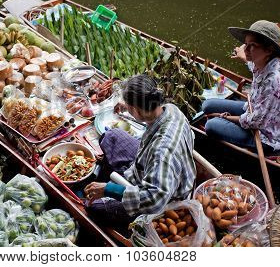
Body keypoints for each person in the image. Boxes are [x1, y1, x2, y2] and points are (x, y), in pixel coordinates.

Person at [84, 74, 196, 225]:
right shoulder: (170, 108)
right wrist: (127, 107)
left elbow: (154, 199)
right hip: (147, 166)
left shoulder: (162, 151)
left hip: (164, 199)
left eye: (130, 107)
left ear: (136, 110)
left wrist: (109, 190)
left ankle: (111, 187)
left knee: (93, 207)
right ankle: (115, 178)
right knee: (111, 135)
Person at [202, 20, 280, 152]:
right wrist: (244, 54)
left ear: (269, 50)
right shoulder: (262, 61)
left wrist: (224, 117)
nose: (246, 49)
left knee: (211, 125)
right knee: (207, 105)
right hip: (254, 110)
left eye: (252, 45)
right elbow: (250, 63)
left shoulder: (274, 82)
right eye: (245, 44)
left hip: (269, 134)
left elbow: (255, 123)